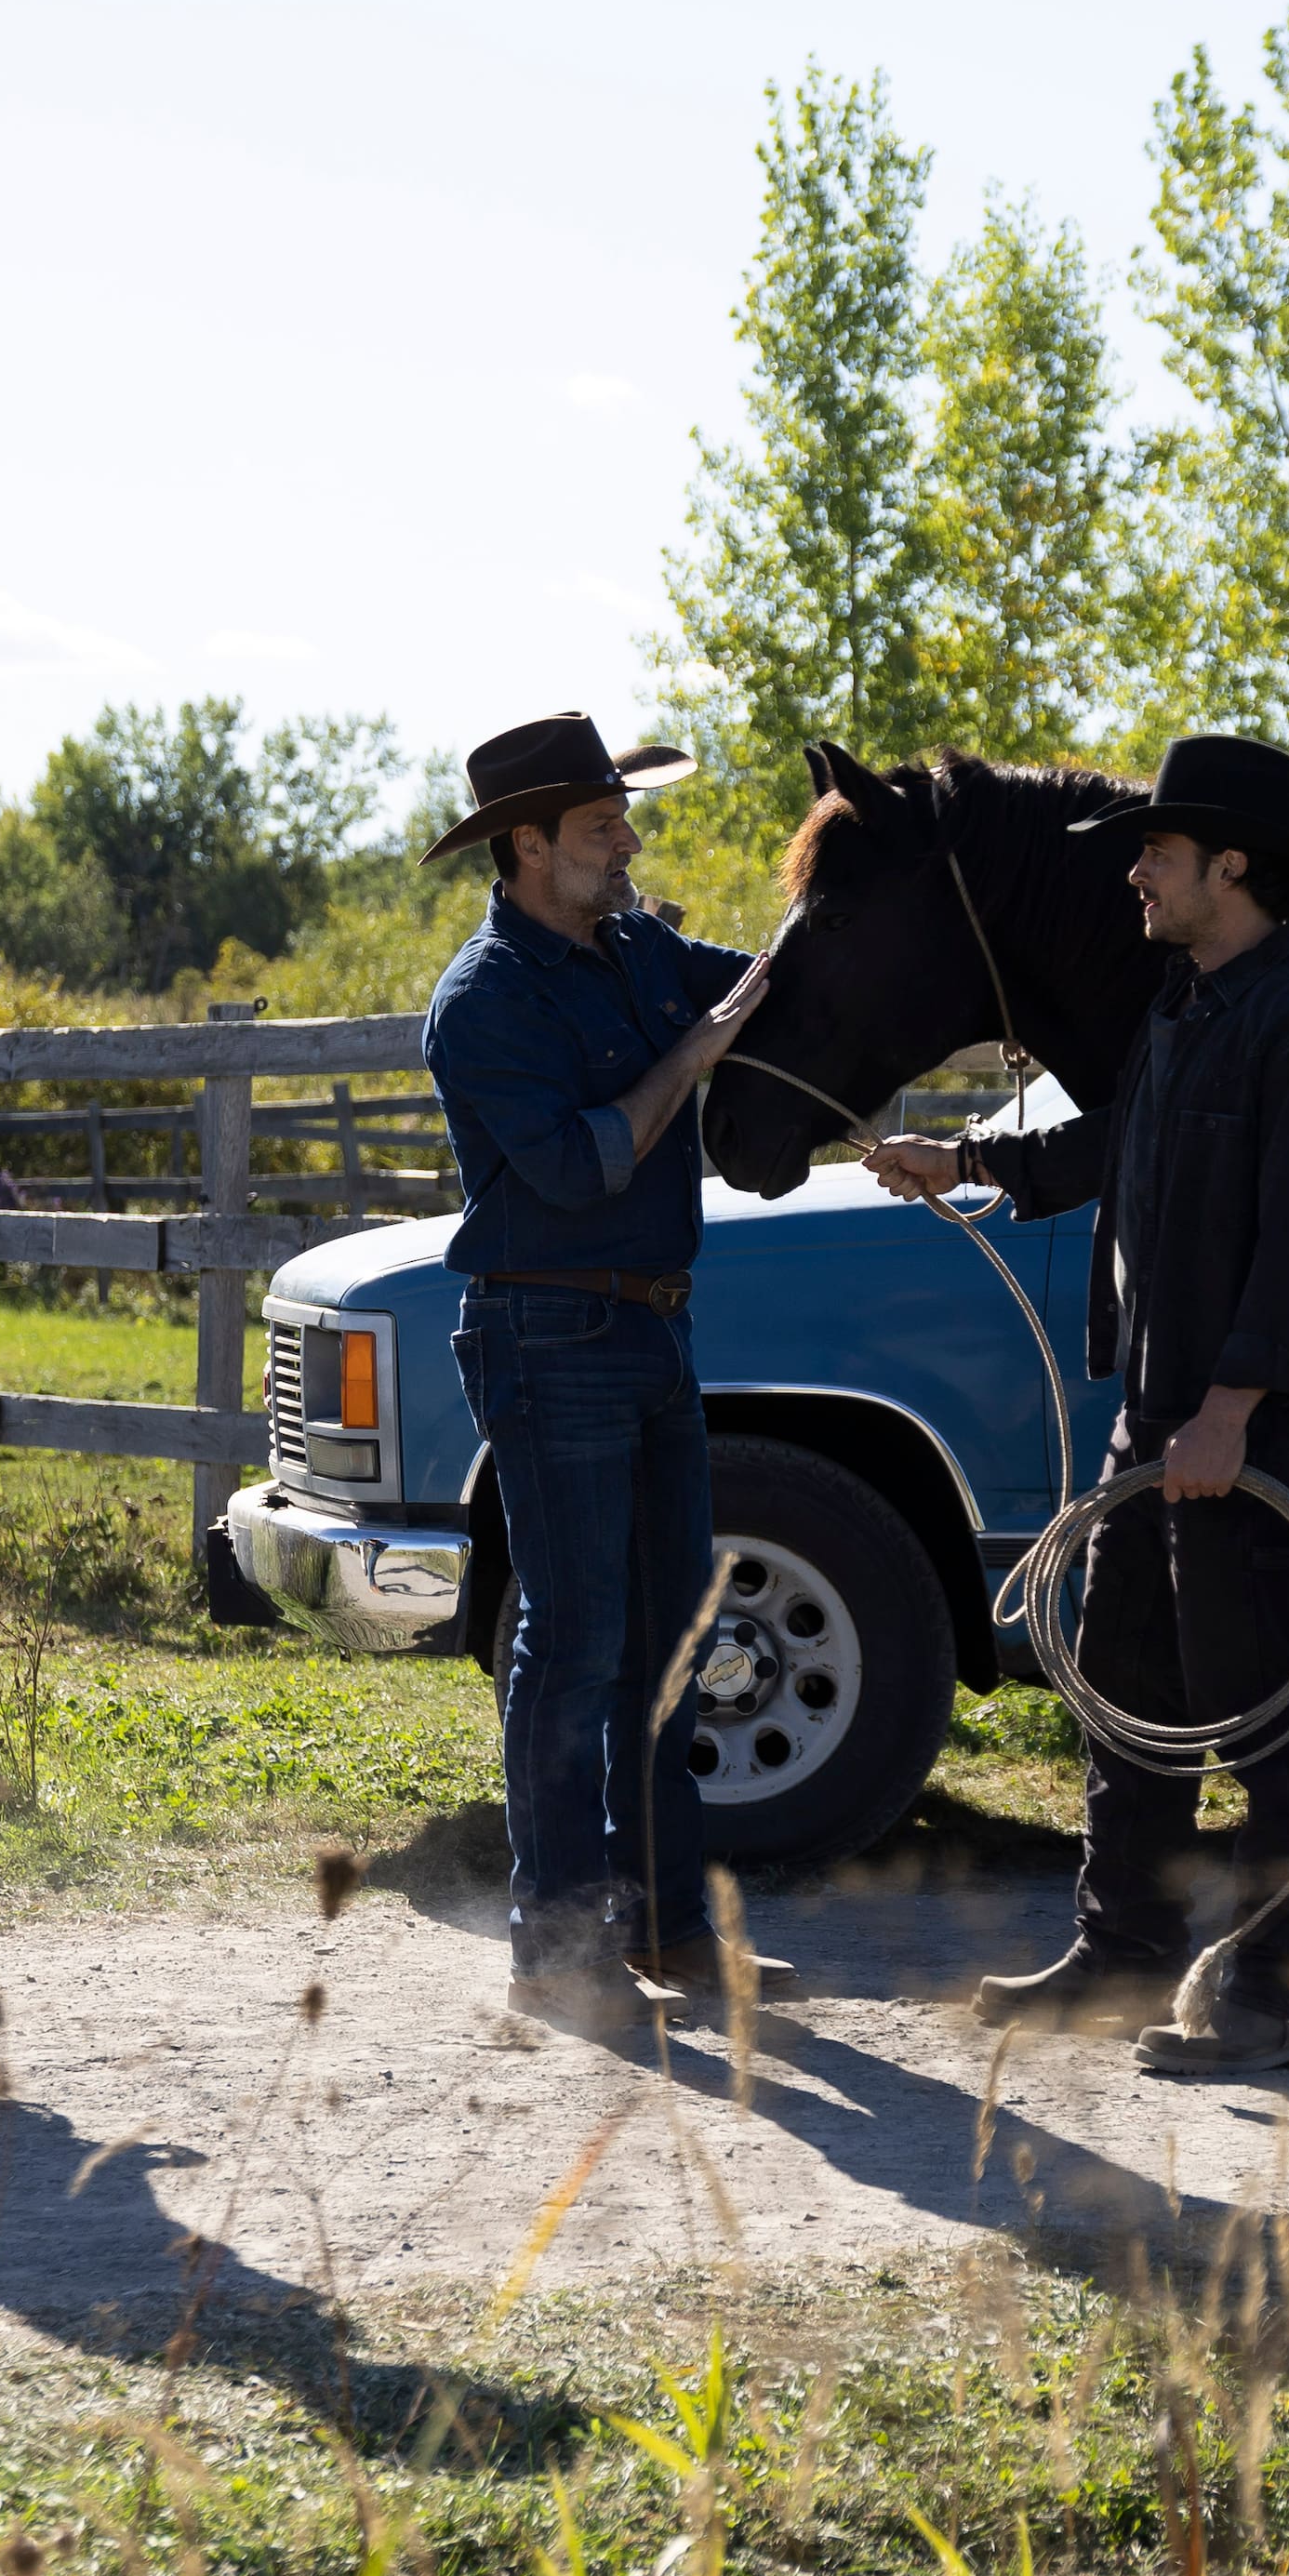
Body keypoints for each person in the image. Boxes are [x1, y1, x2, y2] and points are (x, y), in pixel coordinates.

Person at [862, 735, 1289, 2076]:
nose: (1136, 875)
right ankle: (1123, 1952)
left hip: (1247, 1433)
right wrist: (968, 1158)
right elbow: (1117, 1140)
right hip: (1161, 1420)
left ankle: (1276, 1994)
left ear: (1233, 867)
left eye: (1158, 853)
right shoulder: (1185, 1007)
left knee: (1266, 1708)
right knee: (1126, 1684)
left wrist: (1229, 1410)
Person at [419, 714, 790, 2027]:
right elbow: (581, 1168)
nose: (628, 841)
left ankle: (670, 1928)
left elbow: (770, 986)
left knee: (668, 1642)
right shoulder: (483, 1000)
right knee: (575, 1645)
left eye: (622, 819)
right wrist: (690, 1057)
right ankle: (560, 1948)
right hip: (548, 1333)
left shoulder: (635, 946)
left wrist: (851, 903)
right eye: (601, 825)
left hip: (651, 1328)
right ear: (528, 846)